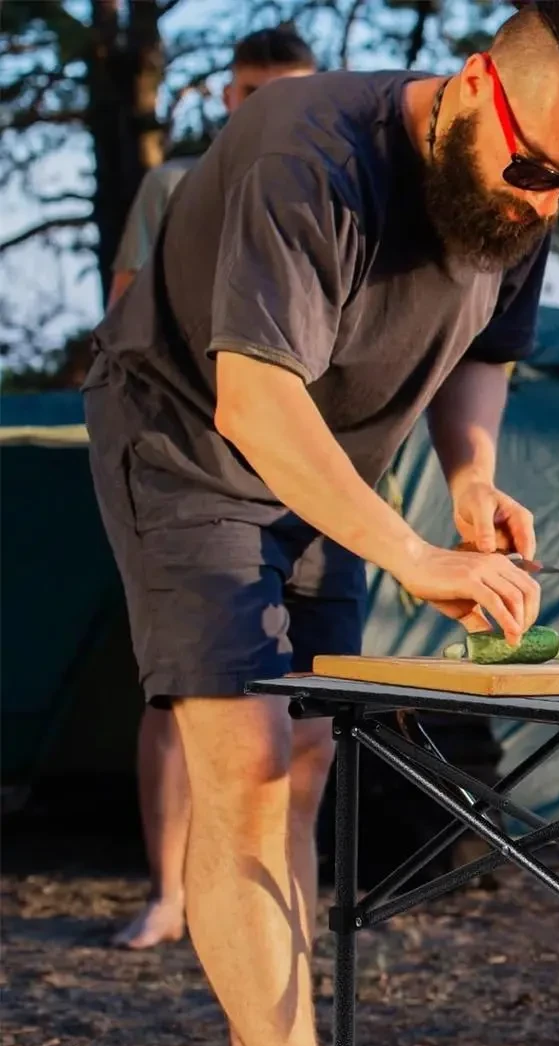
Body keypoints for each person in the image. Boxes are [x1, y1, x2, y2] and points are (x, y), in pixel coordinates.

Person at [82, 0, 559, 1046]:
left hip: (328, 470)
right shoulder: (309, 155)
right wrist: (413, 553)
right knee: (235, 761)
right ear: (468, 89)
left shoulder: (532, 178)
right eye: (541, 174)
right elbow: (254, 397)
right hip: (193, 448)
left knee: (302, 763)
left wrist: (469, 478)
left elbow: (486, 342)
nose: (549, 205)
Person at [107, 25, 319, 951]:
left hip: (298, 471)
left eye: (285, 95)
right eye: (247, 95)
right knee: (175, 693)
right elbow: (125, 311)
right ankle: (169, 891)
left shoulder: (327, 190)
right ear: (225, 101)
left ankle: (276, 904)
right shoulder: (171, 185)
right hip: (184, 459)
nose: (261, 113)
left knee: (301, 713)